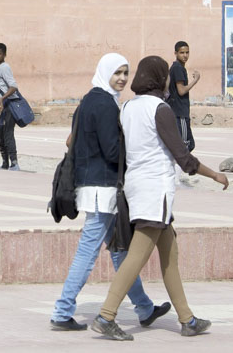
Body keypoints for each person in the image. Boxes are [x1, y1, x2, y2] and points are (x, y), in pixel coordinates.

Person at [92, 56, 229, 340]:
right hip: (155, 191)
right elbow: (183, 157)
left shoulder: (127, 107)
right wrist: (214, 174)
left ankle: (187, 319)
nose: (168, 80)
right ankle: (106, 316)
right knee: (137, 257)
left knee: (170, 255)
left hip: (137, 188)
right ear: (159, 78)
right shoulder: (160, 109)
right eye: (166, 76)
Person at [50, 53, 169, 332]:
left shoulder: (91, 100)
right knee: (87, 252)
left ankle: (144, 308)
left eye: (126, 72)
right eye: (117, 73)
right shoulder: (104, 104)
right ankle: (62, 310)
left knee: (119, 251)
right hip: (102, 189)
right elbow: (112, 151)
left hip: (96, 186)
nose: (123, 78)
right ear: (106, 72)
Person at [166, 41, 200, 152]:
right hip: (180, 113)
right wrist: (195, 80)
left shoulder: (178, 67)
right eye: (182, 53)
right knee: (185, 145)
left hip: (178, 112)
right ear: (176, 53)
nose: (185, 55)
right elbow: (181, 91)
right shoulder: (177, 68)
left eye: (187, 52)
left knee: (186, 144)